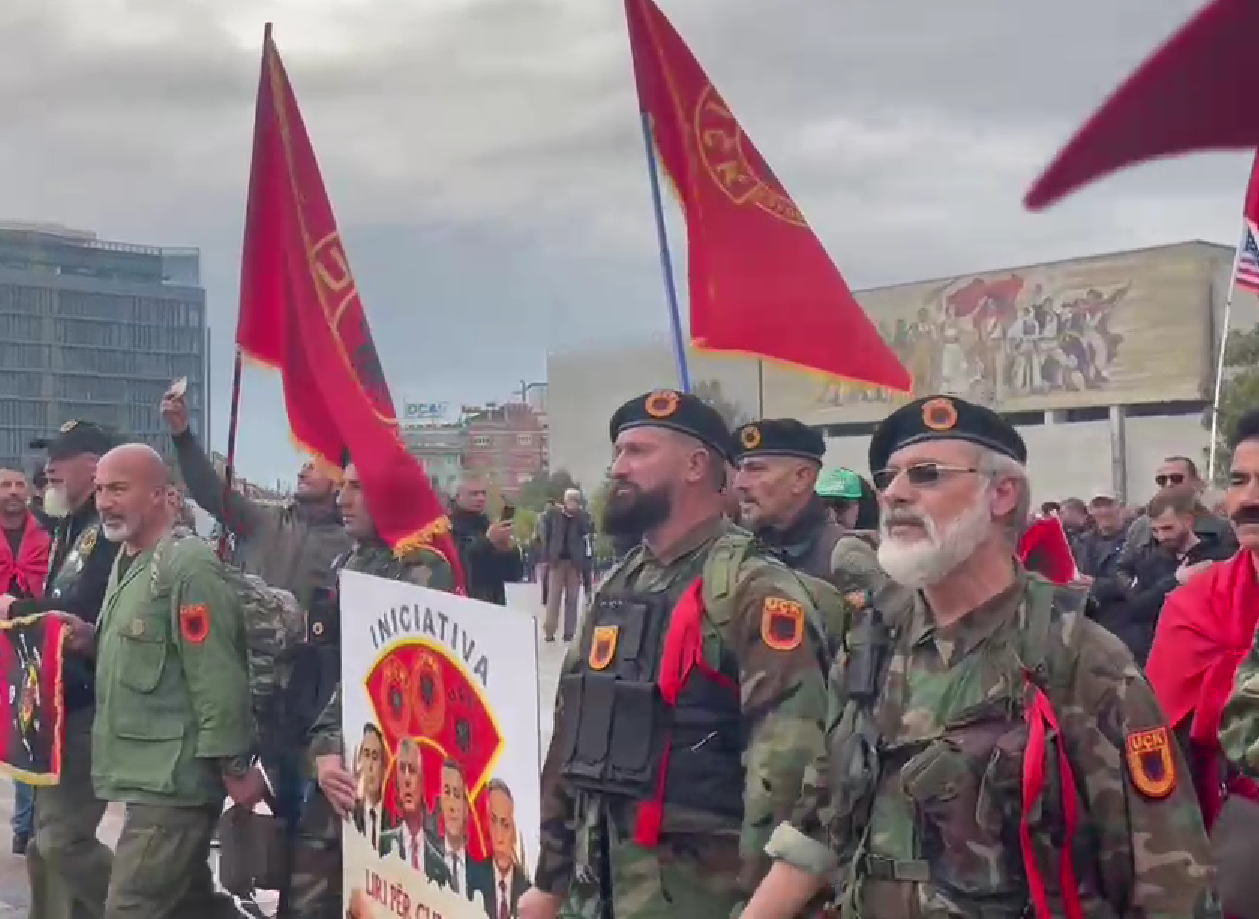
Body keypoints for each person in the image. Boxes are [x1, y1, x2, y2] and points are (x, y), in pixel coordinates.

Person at [739, 393, 1217, 919]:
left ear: (1002, 495)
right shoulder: (871, 645)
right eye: (888, 477)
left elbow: (1170, 882)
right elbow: (817, 828)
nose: (894, 493)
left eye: (926, 474)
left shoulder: (1080, 660)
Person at [520, 389, 839, 919]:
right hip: (599, 892)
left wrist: (762, 907)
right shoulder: (619, 585)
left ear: (695, 466)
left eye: (638, 451)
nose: (618, 468)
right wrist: (550, 881)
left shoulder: (754, 592)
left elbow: (789, 775)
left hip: (702, 897)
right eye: (618, 453)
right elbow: (571, 738)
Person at [56, 443, 259, 917]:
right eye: (100, 490)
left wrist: (234, 767)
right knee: (190, 906)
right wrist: (91, 639)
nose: (104, 502)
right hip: (145, 775)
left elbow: (217, 676)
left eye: (119, 489)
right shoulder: (129, 559)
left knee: (131, 908)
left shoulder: (188, 567)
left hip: (174, 785)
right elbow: (149, 651)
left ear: (158, 494)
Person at [293, 460, 458, 919]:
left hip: (386, 768)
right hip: (333, 758)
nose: (342, 499)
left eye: (358, 488)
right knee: (308, 897)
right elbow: (330, 666)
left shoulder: (421, 568)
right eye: (342, 487)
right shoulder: (348, 562)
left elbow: (382, 670)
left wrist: (325, 746)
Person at [5, 421, 120, 919]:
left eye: (60, 458)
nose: (48, 468)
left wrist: (16, 609)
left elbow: (82, 608)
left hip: (89, 704)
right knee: (42, 844)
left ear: (93, 465)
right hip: (55, 702)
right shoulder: (70, 525)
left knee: (61, 841)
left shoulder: (107, 530)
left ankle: (147, 908)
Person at [732, 421, 889, 602]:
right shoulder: (736, 551)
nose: (739, 483)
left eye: (755, 469)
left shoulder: (845, 558)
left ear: (801, 478)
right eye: (739, 469)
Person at [0, 467, 51, 854]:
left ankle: (25, 825)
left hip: (28, 644)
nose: (14, 491)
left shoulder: (48, 534)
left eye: (19, 485)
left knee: (26, 729)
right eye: (6, 485)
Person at [450, 476, 522, 605]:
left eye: (483, 493)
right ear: (458, 497)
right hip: (463, 602)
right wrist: (487, 541)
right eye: (474, 494)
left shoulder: (487, 525)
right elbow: (462, 565)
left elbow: (513, 575)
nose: (480, 498)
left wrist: (508, 550)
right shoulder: (447, 527)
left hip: (493, 603)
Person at [539, 489, 592, 642]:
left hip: (574, 562)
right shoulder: (554, 515)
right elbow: (545, 533)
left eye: (576, 500)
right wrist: (547, 554)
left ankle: (569, 632)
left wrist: (579, 516)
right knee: (554, 597)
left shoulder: (582, 517)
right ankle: (549, 631)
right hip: (556, 561)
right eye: (571, 500)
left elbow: (587, 534)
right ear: (565, 500)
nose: (573, 503)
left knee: (572, 598)